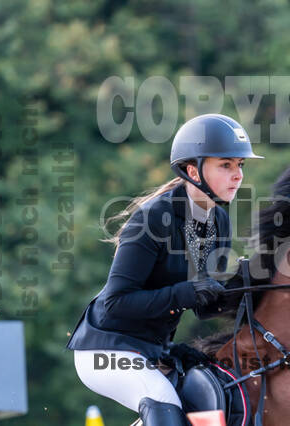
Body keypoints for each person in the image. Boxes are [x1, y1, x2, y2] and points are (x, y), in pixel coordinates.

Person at [66, 114, 264, 426]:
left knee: (210, 400)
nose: (238, 175)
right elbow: (116, 303)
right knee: (163, 400)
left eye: (240, 165)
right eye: (226, 165)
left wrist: (250, 286)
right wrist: (187, 292)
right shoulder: (152, 219)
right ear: (192, 170)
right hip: (106, 349)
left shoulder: (220, 221)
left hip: (154, 350)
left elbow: (204, 307)